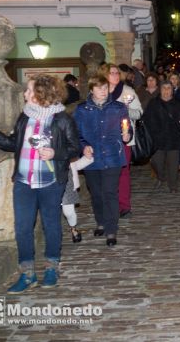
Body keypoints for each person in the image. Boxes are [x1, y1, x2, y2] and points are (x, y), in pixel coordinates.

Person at [0, 74, 80, 292]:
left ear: (42, 94)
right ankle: (27, 273)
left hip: (50, 182)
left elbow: (75, 148)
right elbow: (12, 144)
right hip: (24, 182)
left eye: (29, 90)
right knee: (23, 227)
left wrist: (55, 152)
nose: (25, 94)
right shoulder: (24, 117)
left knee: (51, 224)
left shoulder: (62, 119)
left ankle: (52, 267)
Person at [74, 75, 132, 247]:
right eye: (99, 88)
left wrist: (127, 135)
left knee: (110, 192)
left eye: (105, 88)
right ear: (91, 90)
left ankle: (111, 229)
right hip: (91, 159)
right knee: (97, 193)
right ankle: (101, 221)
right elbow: (75, 134)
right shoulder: (82, 109)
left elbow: (126, 127)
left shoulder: (118, 107)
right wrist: (83, 146)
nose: (103, 91)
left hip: (113, 156)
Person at [100, 63, 142, 218]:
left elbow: (139, 113)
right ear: (104, 75)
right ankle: (110, 205)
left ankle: (124, 206)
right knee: (106, 173)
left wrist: (126, 110)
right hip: (104, 140)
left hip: (123, 139)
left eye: (117, 73)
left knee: (123, 173)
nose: (116, 75)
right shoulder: (99, 91)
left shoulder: (127, 91)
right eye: (112, 73)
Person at [142, 81, 180, 193]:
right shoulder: (154, 103)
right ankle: (161, 176)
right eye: (164, 88)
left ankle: (173, 186)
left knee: (173, 164)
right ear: (160, 89)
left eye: (169, 88)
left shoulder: (179, 103)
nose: (167, 90)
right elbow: (146, 119)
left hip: (174, 138)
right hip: (157, 138)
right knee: (156, 162)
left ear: (172, 90)